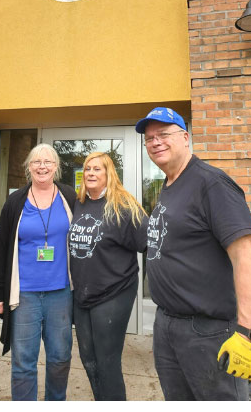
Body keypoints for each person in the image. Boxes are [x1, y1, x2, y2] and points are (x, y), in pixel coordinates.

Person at [138, 107, 251, 400]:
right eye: (149, 138)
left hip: (207, 331)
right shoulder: (169, 186)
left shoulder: (212, 183)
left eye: (163, 134)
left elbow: (245, 257)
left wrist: (248, 333)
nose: (155, 142)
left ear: (185, 137)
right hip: (167, 324)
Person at [0, 143, 78, 400]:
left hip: (61, 293)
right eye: (36, 162)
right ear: (29, 167)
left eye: (48, 162)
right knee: (23, 362)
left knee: (60, 357)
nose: (42, 166)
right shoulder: (15, 201)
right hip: (24, 295)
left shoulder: (69, 197)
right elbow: (1, 247)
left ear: (56, 167)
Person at [68, 152, 148, 400]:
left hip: (114, 292)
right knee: (88, 358)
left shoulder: (124, 205)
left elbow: (152, 244)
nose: (91, 173)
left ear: (109, 174)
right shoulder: (79, 203)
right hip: (82, 293)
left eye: (97, 169)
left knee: (107, 360)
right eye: (88, 169)